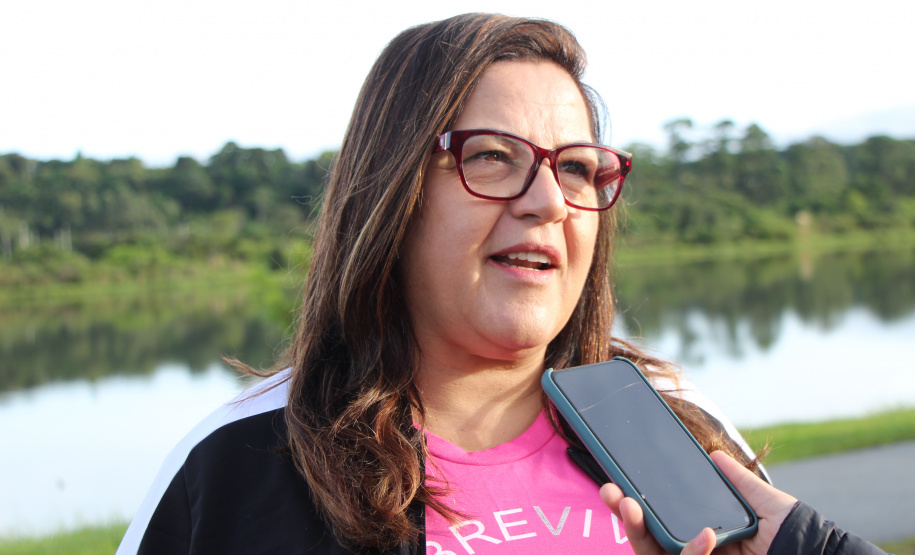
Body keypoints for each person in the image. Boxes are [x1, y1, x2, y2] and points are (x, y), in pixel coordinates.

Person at [117, 13, 887, 555]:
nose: (548, 202)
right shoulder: (237, 464)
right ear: (393, 193)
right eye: (491, 156)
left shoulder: (684, 437)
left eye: (578, 167)